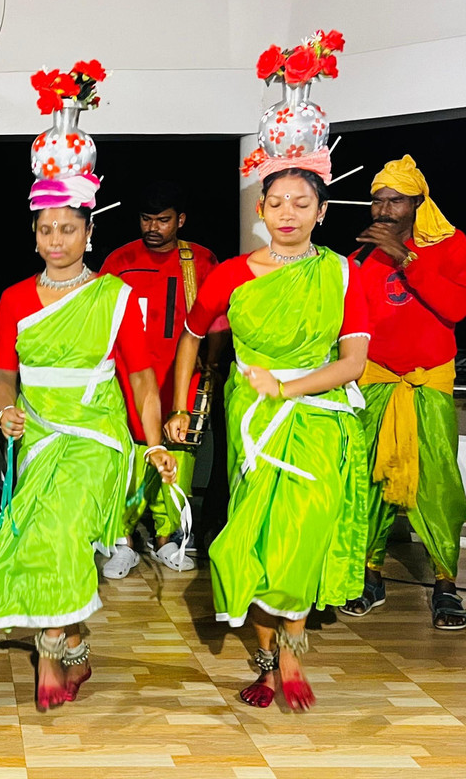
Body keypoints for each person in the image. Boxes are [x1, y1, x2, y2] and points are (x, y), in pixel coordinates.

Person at [0, 65, 177, 712]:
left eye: (68, 228)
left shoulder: (114, 296)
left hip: (97, 437)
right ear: (34, 232)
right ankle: (72, 642)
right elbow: (3, 377)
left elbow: (142, 379)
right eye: (46, 229)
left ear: (90, 230)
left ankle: (49, 654)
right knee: (48, 540)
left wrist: (154, 444)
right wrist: (5, 412)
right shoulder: (14, 298)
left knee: (59, 532)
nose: (56, 240)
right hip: (40, 436)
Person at [167, 166, 369, 711]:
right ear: (260, 210)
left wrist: (286, 387)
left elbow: (353, 362)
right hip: (253, 418)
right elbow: (191, 335)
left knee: (300, 535)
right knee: (254, 539)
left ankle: (292, 656)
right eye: (276, 202)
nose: (288, 213)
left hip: (319, 417)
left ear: (322, 212)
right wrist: (181, 406)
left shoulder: (342, 273)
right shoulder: (232, 274)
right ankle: (265, 659)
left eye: (302, 203)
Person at [340, 155, 466, 630]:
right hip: (374, 379)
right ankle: (369, 575)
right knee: (368, 481)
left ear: (418, 202)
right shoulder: (359, 258)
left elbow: (456, 308)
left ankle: (445, 584)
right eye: (378, 201)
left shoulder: (452, 245)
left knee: (437, 484)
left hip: (427, 378)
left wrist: (405, 258)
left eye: (396, 200)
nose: (384, 209)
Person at [100, 181, 226, 577]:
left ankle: (167, 538)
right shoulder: (120, 260)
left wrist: (212, 362)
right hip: (130, 374)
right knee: (129, 455)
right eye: (146, 219)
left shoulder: (199, 260)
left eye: (163, 220)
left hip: (181, 373)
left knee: (180, 453)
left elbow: (217, 320)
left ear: (180, 220)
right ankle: (122, 540)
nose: (153, 227)